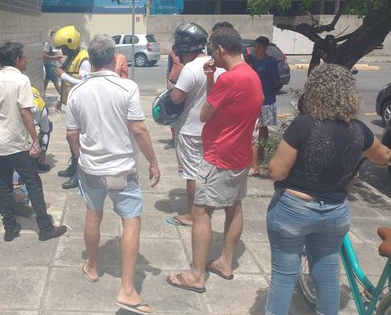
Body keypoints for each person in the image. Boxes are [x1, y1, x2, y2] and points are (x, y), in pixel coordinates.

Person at [265, 64, 391, 315]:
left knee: (283, 276)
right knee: (328, 274)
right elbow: (384, 156)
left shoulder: (303, 124)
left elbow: (277, 172)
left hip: (293, 210)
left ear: (314, 91)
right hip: (334, 213)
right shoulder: (359, 130)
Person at [65, 34, 160, 315]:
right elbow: (139, 130)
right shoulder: (127, 88)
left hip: (91, 169)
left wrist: (81, 156)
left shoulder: (76, 92)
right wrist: (153, 162)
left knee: (93, 214)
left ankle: (92, 267)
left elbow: (72, 134)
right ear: (114, 58)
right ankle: (128, 290)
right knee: (130, 223)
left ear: (91, 61)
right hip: (122, 170)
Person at [167, 26, 262, 293]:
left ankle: (196, 275)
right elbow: (222, 100)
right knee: (234, 207)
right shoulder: (250, 75)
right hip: (240, 153)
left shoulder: (231, 80)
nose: (210, 55)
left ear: (220, 49)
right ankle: (225, 262)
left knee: (200, 212)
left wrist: (213, 83)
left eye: (211, 50)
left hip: (219, 154)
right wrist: (210, 77)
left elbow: (205, 113)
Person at [0, 42, 67, 242]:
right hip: (16, 142)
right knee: (33, 183)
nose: (26, 60)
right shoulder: (21, 80)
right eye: (23, 57)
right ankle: (45, 227)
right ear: (16, 60)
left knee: (5, 184)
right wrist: (35, 140)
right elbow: (25, 113)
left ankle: (10, 228)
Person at [166, 22, 210, 227]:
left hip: (191, 129)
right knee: (207, 171)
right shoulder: (215, 64)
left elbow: (176, 98)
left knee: (192, 174)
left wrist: (171, 86)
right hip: (211, 128)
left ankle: (193, 215)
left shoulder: (190, 69)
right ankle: (206, 208)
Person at [53, 25, 91, 189]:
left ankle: (78, 174)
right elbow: (67, 80)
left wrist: (64, 75)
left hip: (81, 106)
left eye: (63, 47)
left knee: (77, 140)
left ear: (71, 44)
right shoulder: (72, 56)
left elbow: (84, 82)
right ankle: (73, 167)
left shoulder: (84, 59)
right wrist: (59, 98)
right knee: (72, 141)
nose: (62, 51)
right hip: (72, 104)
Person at [249, 36, 281, 176]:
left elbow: (277, 82)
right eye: (255, 46)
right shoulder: (252, 61)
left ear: (265, 48)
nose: (256, 49)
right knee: (253, 126)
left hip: (267, 99)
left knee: (263, 126)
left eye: (259, 47)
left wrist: (268, 91)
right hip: (253, 98)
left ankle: (261, 151)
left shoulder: (270, 62)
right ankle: (254, 151)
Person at [164, 46, 184, 149]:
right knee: (172, 114)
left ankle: (181, 137)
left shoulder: (189, 51)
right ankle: (174, 139)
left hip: (186, 85)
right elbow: (169, 66)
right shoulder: (172, 52)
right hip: (173, 84)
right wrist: (168, 80)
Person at [31, 86, 53, 172]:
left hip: (37, 108)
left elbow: (45, 131)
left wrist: (42, 151)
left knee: (48, 127)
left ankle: (37, 162)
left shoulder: (42, 111)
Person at [43, 31, 62, 97]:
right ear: (50, 36)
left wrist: (61, 62)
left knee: (47, 79)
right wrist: (55, 58)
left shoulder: (54, 45)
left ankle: (43, 93)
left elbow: (56, 57)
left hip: (53, 64)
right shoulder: (47, 44)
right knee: (55, 80)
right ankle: (61, 95)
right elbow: (44, 55)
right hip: (49, 65)